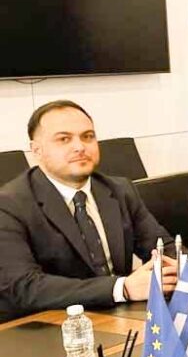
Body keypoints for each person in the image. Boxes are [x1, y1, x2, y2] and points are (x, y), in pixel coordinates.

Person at [0, 101, 177, 318]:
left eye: (88, 136)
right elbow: (24, 286)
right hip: (48, 324)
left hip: (121, 316)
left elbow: (165, 246)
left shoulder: (119, 189)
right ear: (37, 150)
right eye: (64, 139)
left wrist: (177, 269)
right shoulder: (9, 204)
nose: (80, 147)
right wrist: (122, 288)